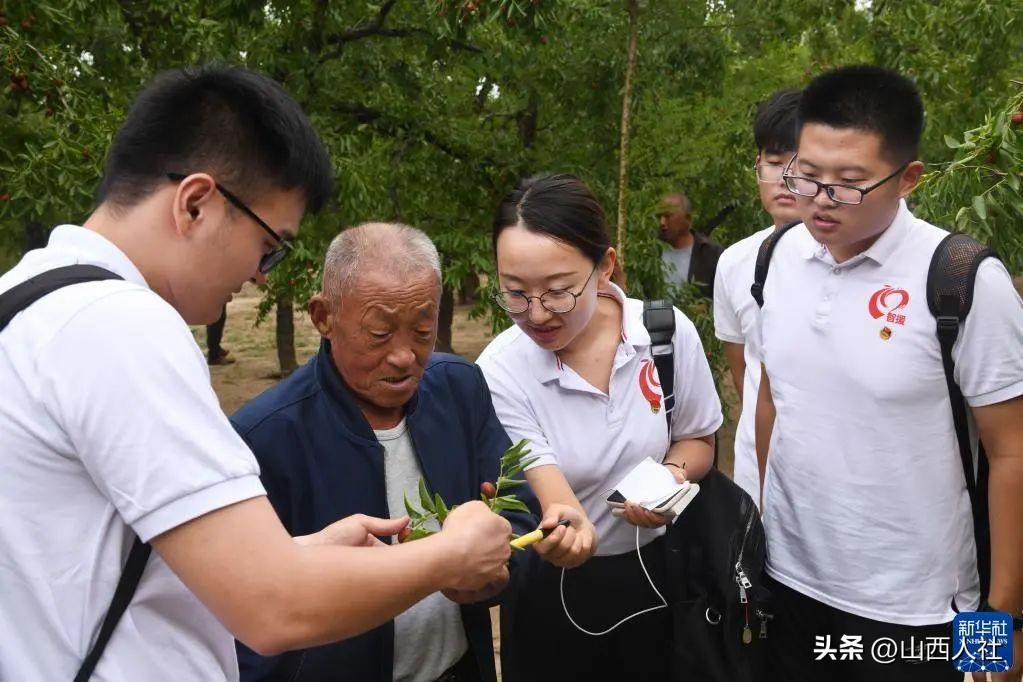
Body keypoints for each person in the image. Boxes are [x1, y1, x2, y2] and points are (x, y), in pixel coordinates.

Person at [0, 64, 511, 681]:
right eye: (269, 244)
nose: (262, 275)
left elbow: (94, 561)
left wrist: (296, 553)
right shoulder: (118, 326)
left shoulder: (28, 302)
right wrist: (449, 556)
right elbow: (273, 608)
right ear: (196, 203)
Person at [755, 66, 1023, 681]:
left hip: (924, 614)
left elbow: (1011, 452)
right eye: (808, 174)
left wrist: (1001, 625)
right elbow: (775, 400)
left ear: (908, 178)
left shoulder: (960, 279)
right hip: (792, 589)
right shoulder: (776, 259)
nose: (821, 199)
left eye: (849, 183)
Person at [232, 222, 537, 682]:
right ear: (323, 317)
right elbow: (247, 602)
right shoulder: (264, 436)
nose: (403, 356)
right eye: (379, 333)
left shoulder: (458, 388)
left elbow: (518, 506)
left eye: (421, 329)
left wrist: (496, 567)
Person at [477, 173, 724, 681]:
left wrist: (671, 478)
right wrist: (570, 532)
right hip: (556, 593)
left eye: (560, 291)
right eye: (515, 294)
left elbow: (699, 438)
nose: (537, 313)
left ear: (605, 266)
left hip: (662, 574)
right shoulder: (501, 370)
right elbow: (557, 500)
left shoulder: (664, 334)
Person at [712, 88, 803, 505]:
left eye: (801, 164)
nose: (786, 178)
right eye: (774, 162)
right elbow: (744, 374)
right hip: (757, 473)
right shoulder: (734, 262)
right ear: (757, 167)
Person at [657, 191, 724, 298]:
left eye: (668, 216)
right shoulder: (651, 252)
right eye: (659, 216)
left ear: (688, 219)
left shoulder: (711, 253)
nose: (662, 222)